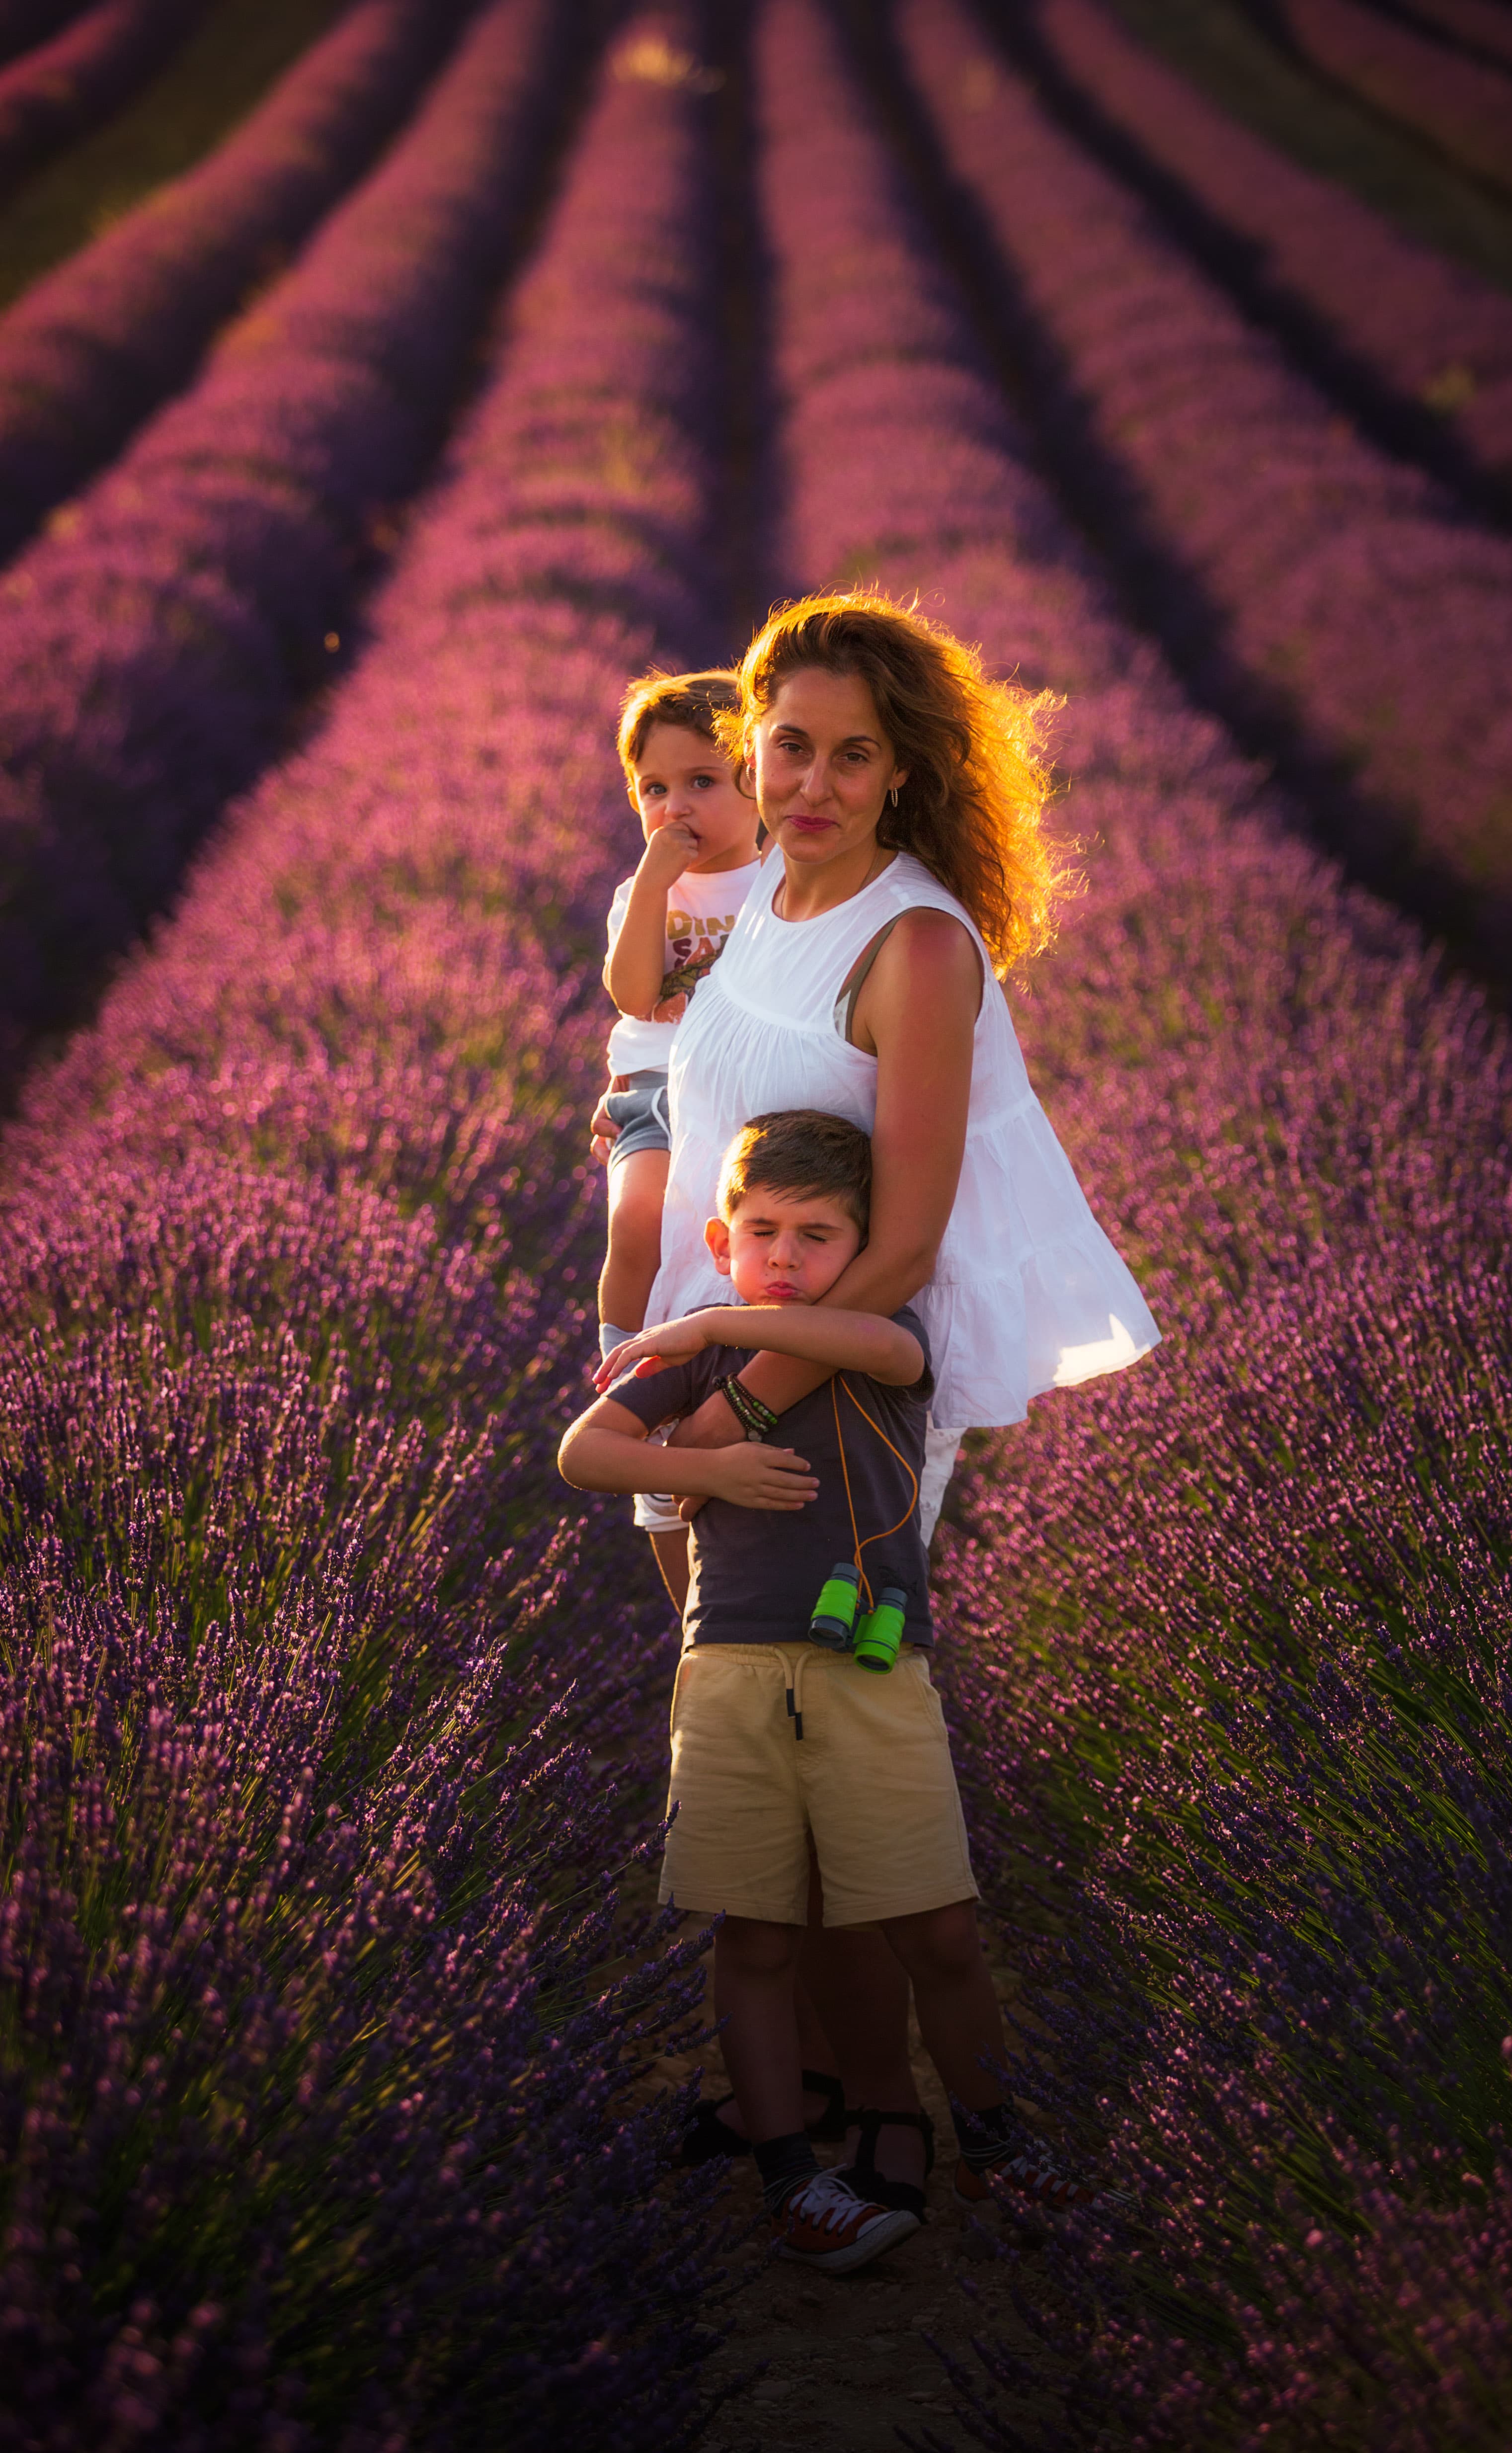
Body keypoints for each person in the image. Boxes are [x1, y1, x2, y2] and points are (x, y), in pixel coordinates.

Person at [595, 592, 1161, 2208]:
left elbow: (901, 1239)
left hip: (818, 1419)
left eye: (858, 754)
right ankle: (849, 2101)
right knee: (774, 1775)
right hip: (698, 1380)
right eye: (791, 746)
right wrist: (650, 1338)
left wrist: (732, 1418)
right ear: (749, 742)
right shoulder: (751, 900)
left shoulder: (913, 945)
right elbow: (663, 1076)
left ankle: (936, 2128)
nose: (817, 781)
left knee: (839, 1763)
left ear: (909, 772)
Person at [560, 1110, 1069, 2274]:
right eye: (760, 1232)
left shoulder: (884, 1336)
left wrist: (706, 1314)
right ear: (721, 1234)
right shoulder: (701, 1369)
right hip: (731, 1668)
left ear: (869, 1248)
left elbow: (875, 1353)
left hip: (872, 1676)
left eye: (817, 1235)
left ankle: (996, 2137)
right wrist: (710, 1465)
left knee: (937, 1927)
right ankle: (795, 2176)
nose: (784, 1256)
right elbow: (584, 1454)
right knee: (756, 1934)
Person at [597, 669, 762, 1356]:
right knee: (641, 1216)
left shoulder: (781, 879)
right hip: (658, 1091)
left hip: (753, 1087)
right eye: (654, 790)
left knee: (742, 1239)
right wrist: (653, 889)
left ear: (756, 780)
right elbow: (634, 996)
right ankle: (621, 1356)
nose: (675, 808)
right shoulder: (643, 893)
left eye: (703, 782)